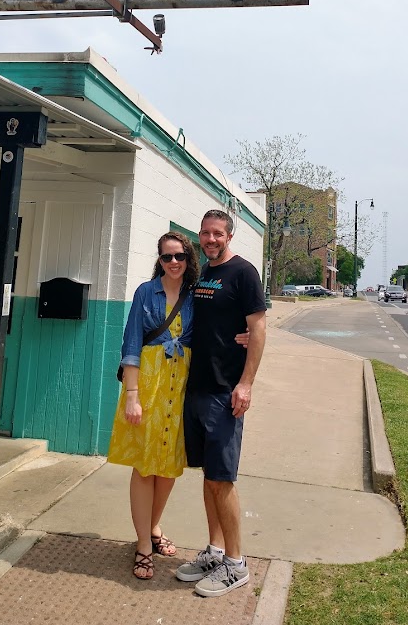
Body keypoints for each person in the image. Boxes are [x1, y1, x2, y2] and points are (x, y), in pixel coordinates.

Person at [108, 229, 248, 580]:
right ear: (159, 260)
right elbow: (131, 345)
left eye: (179, 256)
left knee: (168, 466)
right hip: (149, 386)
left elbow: (217, 324)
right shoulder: (145, 292)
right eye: (167, 256)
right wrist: (133, 396)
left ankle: (154, 528)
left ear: (189, 259)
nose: (173, 262)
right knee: (144, 466)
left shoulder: (195, 294)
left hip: (182, 386)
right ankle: (143, 545)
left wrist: (246, 335)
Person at [175, 210, 267, 597]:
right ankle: (215, 552)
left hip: (225, 391)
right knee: (208, 477)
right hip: (196, 388)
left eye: (218, 233)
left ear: (230, 235)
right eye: (205, 233)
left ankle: (236, 563)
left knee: (222, 478)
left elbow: (259, 327)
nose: (211, 239)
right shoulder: (204, 275)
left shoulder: (243, 273)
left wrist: (246, 384)